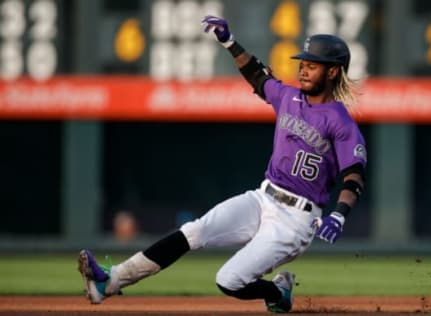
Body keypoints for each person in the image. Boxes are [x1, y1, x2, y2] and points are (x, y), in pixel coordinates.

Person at [78, 15, 367, 313]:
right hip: (262, 198)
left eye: (312, 65)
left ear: (333, 71)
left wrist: (340, 215)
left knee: (229, 280)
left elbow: (354, 176)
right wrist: (229, 42)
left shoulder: (340, 122)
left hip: (296, 220)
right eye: (303, 64)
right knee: (193, 231)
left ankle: (278, 291)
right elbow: (257, 76)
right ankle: (109, 282)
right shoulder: (288, 97)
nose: (303, 70)